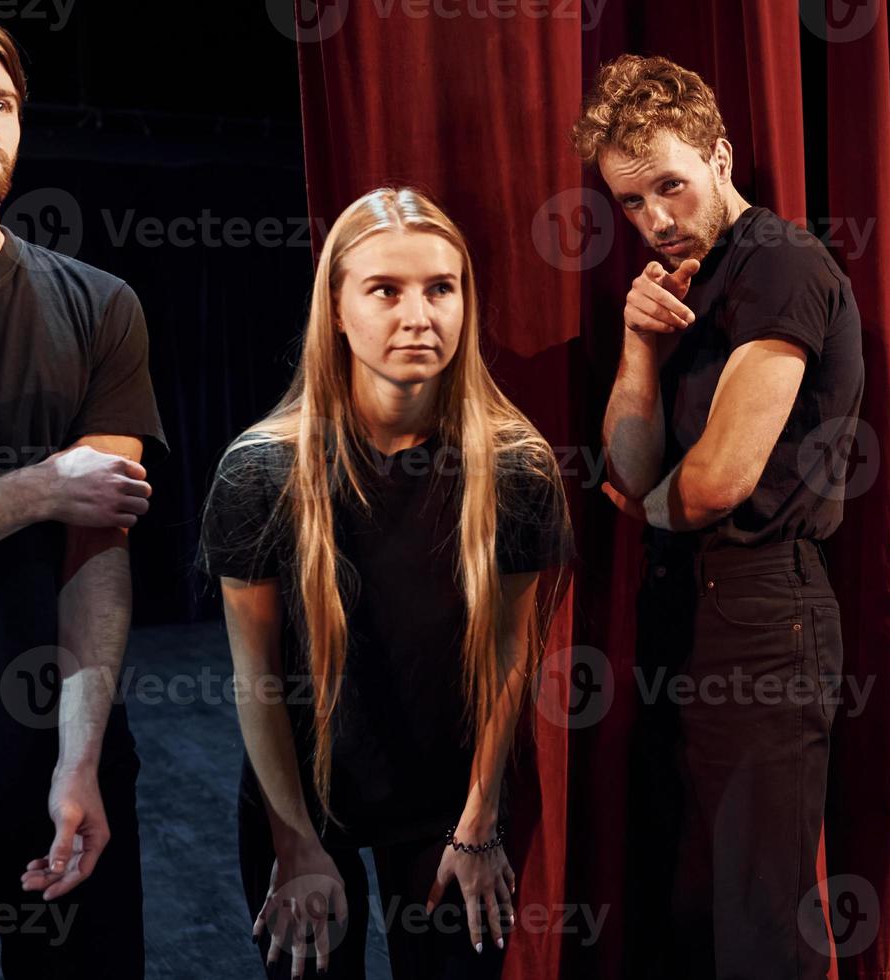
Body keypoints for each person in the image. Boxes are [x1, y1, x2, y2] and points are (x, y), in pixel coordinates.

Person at [200, 186, 572, 980]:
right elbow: (255, 677)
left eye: (442, 288)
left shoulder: (516, 465)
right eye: (385, 290)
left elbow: (513, 655)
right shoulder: (260, 471)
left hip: (451, 793)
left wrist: (478, 822)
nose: (419, 315)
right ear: (336, 308)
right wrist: (293, 842)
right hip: (305, 792)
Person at [572, 54, 865, 980]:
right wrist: (638, 348)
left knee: (756, 923)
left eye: (670, 185)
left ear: (721, 156)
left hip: (764, 613)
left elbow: (715, 483)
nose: (655, 219)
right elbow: (632, 460)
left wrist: (647, 507)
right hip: (685, 608)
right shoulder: (682, 281)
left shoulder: (779, 262)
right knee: (689, 908)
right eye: (630, 203)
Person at [0, 2, 166, 977]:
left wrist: (81, 757)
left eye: (3, 101)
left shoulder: (101, 305)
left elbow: (96, 549)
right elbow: (67, 493)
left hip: (59, 770)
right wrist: (41, 485)